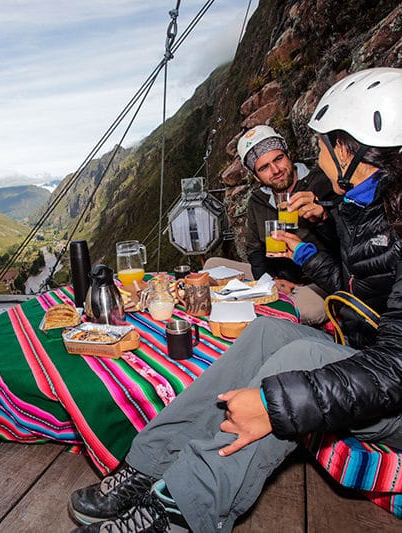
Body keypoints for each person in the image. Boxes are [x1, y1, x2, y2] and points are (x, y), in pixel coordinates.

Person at [67, 67, 402, 533]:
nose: (318, 156)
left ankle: (183, 509)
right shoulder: (371, 207)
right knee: (267, 330)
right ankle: (145, 465)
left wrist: (277, 402)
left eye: (324, 144)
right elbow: (358, 279)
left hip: (389, 390)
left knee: (301, 353)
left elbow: (395, 365)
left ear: (348, 150)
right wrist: (324, 229)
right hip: (369, 356)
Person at [242, 125, 339, 325]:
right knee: (213, 265)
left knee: (310, 309)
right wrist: (269, 282)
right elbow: (254, 250)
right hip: (278, 278)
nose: (275, 171)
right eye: (264, 167)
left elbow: (348, 247)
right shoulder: (258, 201)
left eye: (278, 159)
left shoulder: (322, 182)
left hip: (320, 280)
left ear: (288, 155)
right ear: (256, 176)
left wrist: (323, 218)